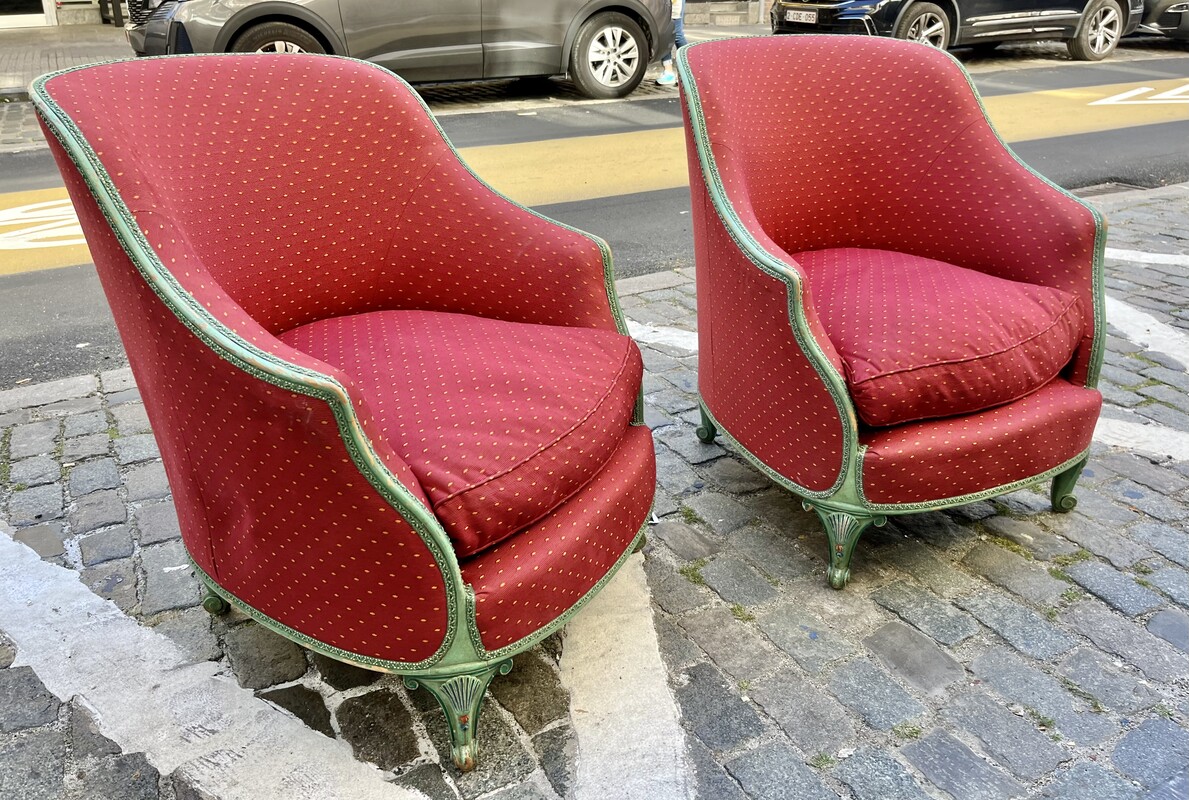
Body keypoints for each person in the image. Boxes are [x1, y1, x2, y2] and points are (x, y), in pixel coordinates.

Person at [656, 0, 687, 86]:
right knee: (665, 35)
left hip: (674, 3)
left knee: (677, 35)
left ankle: (689, 68)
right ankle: (668, 72)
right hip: (664, 4)